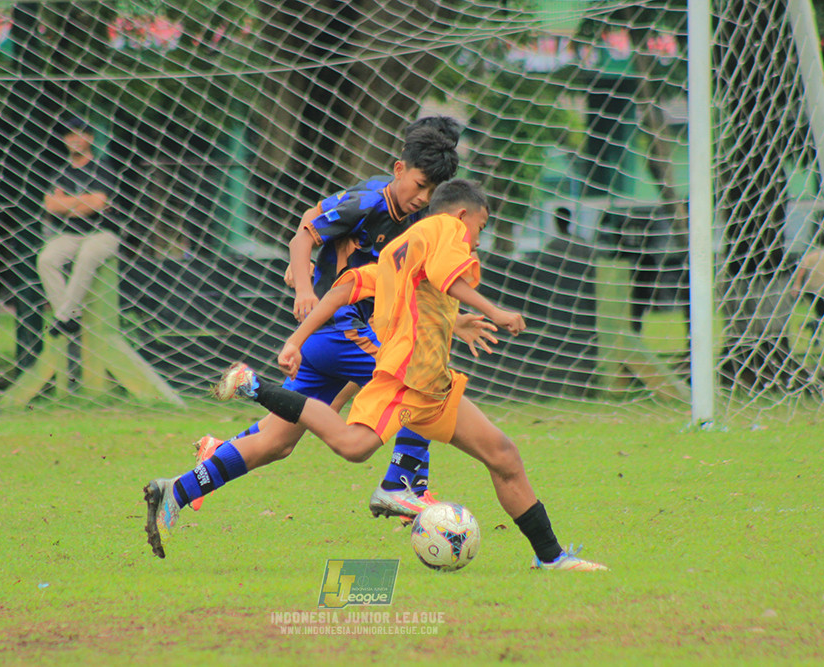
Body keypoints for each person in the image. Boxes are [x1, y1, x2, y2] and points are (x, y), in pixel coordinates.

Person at [150, 179, 607, 571]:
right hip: (405, 377)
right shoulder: (446, 228)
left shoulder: (402, 245)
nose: (478, 238)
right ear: (464, 214)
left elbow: (355, 287)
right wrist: (494, 310)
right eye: (481, 227)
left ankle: (550, 557)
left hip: (430, 383)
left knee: (503, 454)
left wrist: (297, 339)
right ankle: (259, 390)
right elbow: (450, 277)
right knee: (353, 446)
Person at [178, 121, 462, 523]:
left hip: (355, 326)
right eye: (420, 184)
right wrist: (304, 284)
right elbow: (305, 231)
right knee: (417, 383)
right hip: (336, 321)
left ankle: (194, 473)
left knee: (279, 441)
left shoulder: (420, 214)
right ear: (401, 168)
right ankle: (408, 488)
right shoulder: (368, 200)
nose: (424, 197)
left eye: (434, 189)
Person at [36, 117, 118, 338]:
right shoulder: (59, 173)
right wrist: (83, 202)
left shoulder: (103, 168)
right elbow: (50, 205)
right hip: (70, 234)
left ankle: (64, 317)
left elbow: (99, 203)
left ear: (90, 138)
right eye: (70, 134)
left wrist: (68, 203)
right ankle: (71, 314)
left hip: (103, 234)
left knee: (87, 254)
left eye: (81, 133)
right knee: (46, 259)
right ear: (64, 139)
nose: (75, 139)